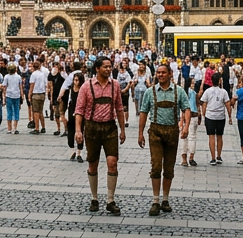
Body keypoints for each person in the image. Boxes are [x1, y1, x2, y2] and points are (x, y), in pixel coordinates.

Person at [135, 63, 190, 216]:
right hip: (155, 132)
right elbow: (143, 112)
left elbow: (186, 109)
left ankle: (165, 199)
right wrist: (140, 133)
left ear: (170, 74)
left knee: (169, 167)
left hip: (172, 132)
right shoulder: (149, 92)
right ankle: (155, 200)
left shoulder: (179, 92)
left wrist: (185, 127)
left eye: (163, 72)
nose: (160, 75)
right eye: (158, 73)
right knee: (156, 166)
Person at [75, 57, 126, 215]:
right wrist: (78, 130)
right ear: (97, 68)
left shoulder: (115, 85)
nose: (108, 69)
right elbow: (79, 110)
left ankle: (110, 200)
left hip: (110, 127)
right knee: (93, 164)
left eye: (110, 67)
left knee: (112, 162)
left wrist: (122, 129)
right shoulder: (86, 86)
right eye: (105, 67)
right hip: (92, 128)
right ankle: (94, 198)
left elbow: (119, 108)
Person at [200, 73, 231, 165]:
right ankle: (219, 156)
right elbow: (227, 104)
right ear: (220, 80)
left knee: (211, 136)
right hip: (220, 116)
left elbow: (204, 103)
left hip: (210, 116)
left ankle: (213, 158)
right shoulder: (224, 92)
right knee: (220, 136)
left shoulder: (208, 91)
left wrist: (204, 114)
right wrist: (229, 116)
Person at [63, 72, 85, 161]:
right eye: (74, 80)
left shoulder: (83, 90)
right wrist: (65, 113)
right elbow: (67, 102)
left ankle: (79, 153)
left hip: (80, 113)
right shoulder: (70, 90)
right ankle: (73, 151)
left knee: (80, 132)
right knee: (70, 133)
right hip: (71, 111)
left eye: (77, 80)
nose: (75, 82)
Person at [27, 60, 48, 135]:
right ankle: (43, 127)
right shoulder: (42, 74)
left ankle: (37, 128)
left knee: (35, 112)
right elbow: (46, 84)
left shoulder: (33, 74)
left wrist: (29, 95)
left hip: (36, 94)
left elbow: (32, 85)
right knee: (40, 111)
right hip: (42, 94)